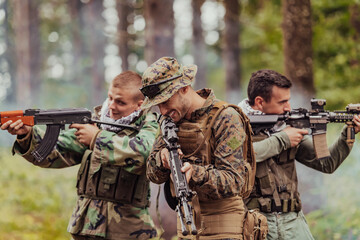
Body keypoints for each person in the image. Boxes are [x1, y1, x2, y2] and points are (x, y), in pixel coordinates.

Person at [1, 71, 159, 240]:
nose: (111, 106)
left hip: (128, 232)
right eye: (110, 98)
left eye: (120, 102)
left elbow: (144, 155)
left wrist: (97, 139)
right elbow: (54, 152)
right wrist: (27, 135)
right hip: (85, 228)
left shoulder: (149, 126)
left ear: (139, 105)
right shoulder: (97, 122)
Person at [140, 56, 254, 239]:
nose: (162, 111)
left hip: (224, 225)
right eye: (157, 105)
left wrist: (195, 172)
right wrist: (162, 159)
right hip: (187, 224)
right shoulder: (169, 121)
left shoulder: (226, 118)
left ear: (184, 88)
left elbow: (234, 181)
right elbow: (152, 174)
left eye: (165, 101)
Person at [238, 69, 360, 240]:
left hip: (293, 223)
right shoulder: (234, 125)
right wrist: (282, 140)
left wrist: (349, 133)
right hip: (255, 224)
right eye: (283, 102)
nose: (288, 107)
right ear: (259, 102)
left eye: (289, 100)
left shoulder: (286, 126)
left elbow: (327, 163)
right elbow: (239, 158)